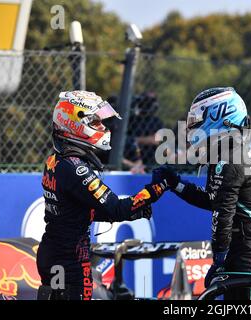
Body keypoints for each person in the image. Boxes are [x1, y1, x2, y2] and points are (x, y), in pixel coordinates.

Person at [36, 91, 168, 300]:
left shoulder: (55, 160)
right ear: (74, 124)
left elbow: (76, 211)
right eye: (96, 123)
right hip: (71, 259)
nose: (104, 128)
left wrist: (133, 213)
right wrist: (158, 187)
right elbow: (116, 207)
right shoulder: (75, 169)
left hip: (54, 253)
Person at [152, 87, 251, 300]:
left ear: (220, 116)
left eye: (196, 120)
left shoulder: (231, 157)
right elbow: (214, 200)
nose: (191, 127)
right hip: (241, 248)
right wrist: (175, 183)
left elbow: (223, 212)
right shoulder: (225, 154)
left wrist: (219, 258)